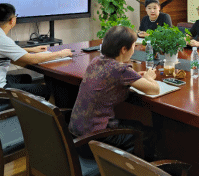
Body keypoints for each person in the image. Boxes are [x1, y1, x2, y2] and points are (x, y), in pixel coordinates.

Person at [69, 25, 160, 159]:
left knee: (137, 125)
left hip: (75, 135)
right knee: (146, 134)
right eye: (133, 46)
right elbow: (154, 90)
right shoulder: (119, 69)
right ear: (124, 49)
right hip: (93, 140)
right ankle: (134, 170)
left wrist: (133, 76)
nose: (134, 50)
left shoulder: (96, 61)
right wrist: (149, 77)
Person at [0, 3, 73, 99]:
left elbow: (1, 51)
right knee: (45, 90)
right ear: (12, 20)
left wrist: (31, 49)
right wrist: (61, 54)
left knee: (26, 78)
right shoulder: (1, 39)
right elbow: (32, 60)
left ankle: (24, 108)